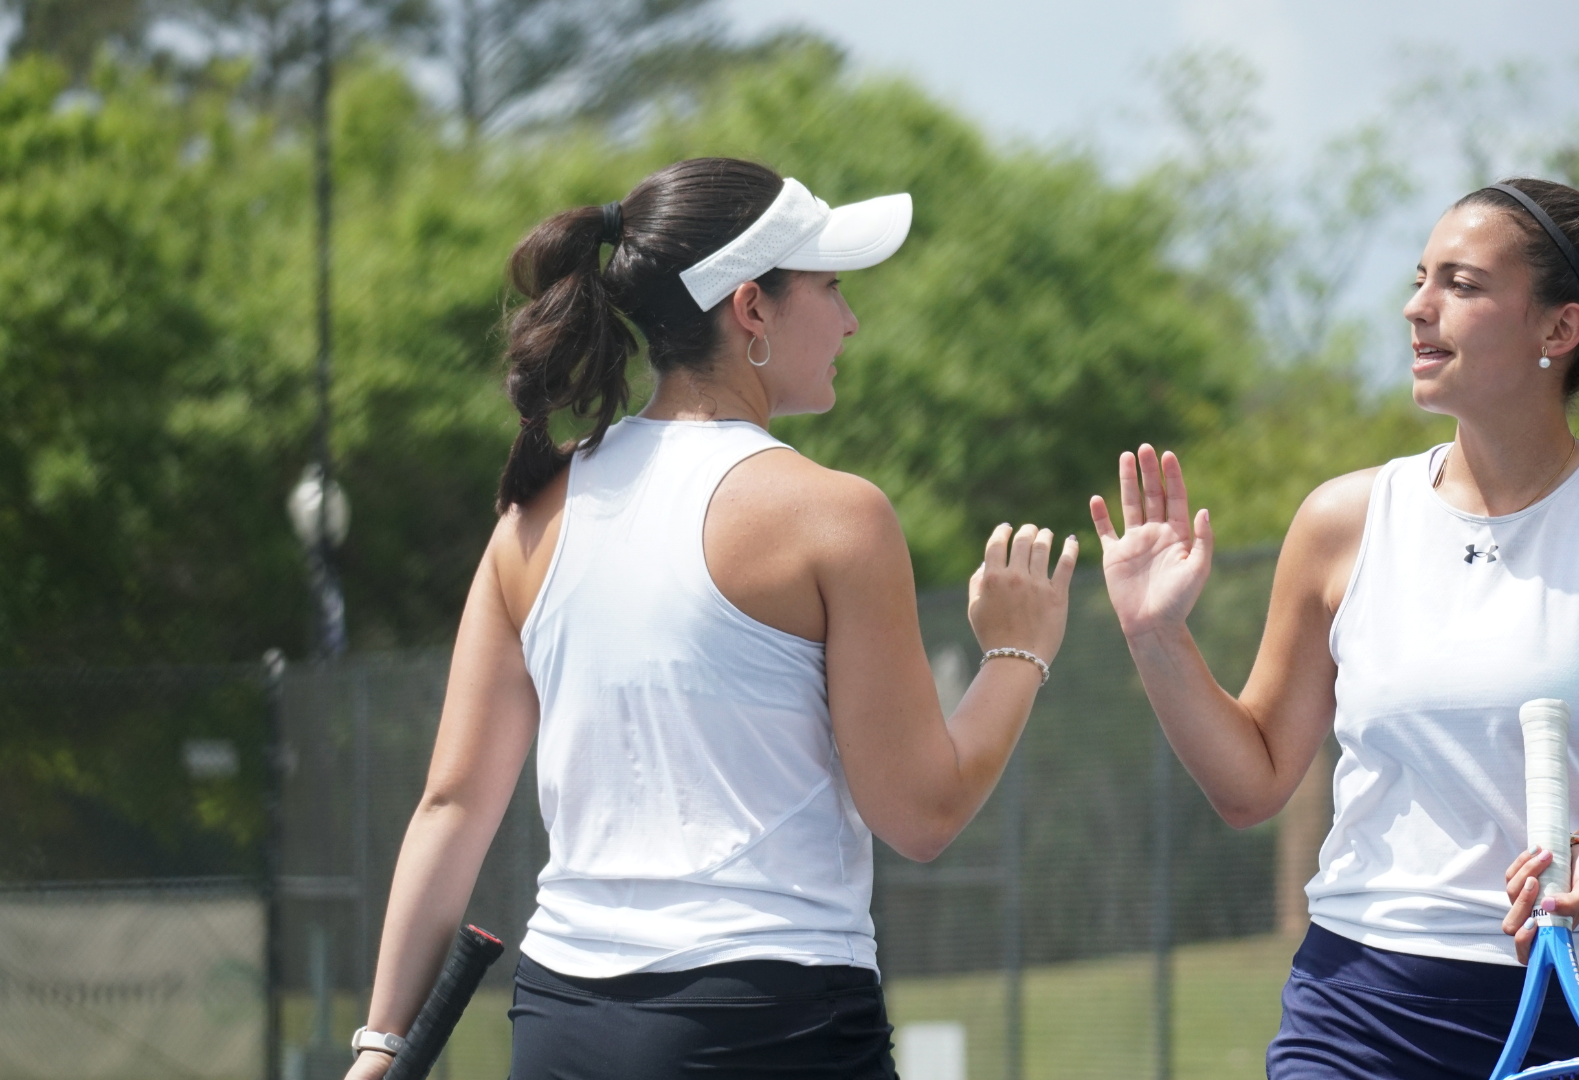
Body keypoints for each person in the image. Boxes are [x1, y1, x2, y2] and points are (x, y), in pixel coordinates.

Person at [342, 157, 1078, 1080]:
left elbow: (451, 805)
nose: (851, 319)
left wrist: (380, 1044)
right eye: (831, 287)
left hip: (561, 1024)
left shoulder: (532, 516)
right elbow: (922, 813)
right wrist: (1017, 650)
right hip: (766, 1025)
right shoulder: (836, 516)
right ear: (751, 308)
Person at [1090, 177, 1579, 1078]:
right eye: (1420, 278)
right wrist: (1156, 635)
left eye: (1461, 284)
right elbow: (1250, 786)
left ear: (1559, 330)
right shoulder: (1340, 521)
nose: (1417, 308)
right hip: (1358, 1011)